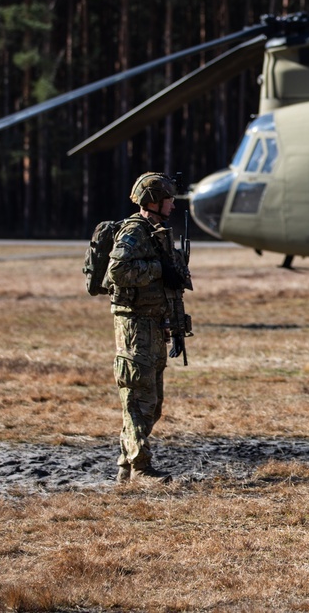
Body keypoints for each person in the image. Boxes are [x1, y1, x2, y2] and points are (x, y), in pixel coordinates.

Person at [106, 172, 191, 484]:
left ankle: (126, 467)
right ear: (152, 201)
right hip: (135, 328)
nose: (172, 204)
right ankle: (141, 469)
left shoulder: (158, 233)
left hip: (155, 326)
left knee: (150, 404)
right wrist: (159, 270)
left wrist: (178, 330)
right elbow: (117, 271)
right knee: (139, 400)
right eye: (168, 198)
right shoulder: (134, 232)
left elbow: (173, 287)